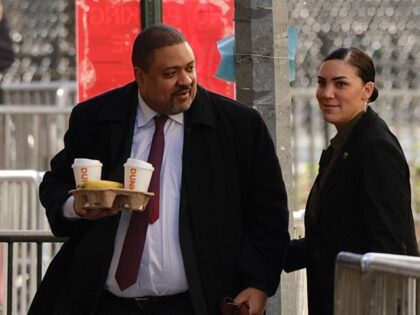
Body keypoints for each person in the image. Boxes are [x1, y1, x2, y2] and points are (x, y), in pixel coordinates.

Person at [28, 24, 290, 315]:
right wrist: (76, 207)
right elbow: (56, 182)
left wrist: (258, 283)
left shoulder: (237, 126)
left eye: (190, 68)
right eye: (170, 73)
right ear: (140, 76)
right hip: (106, 304)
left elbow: (269, 212)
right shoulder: (96, 119)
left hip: (194, 305)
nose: (185, 80)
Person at [284, 47, 419, 315]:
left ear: (367, 90)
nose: (326, 93)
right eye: (322, 83)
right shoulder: (348, 142)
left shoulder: (374, 148)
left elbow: (388, 246)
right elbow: (333, 234)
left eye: (341, 84)